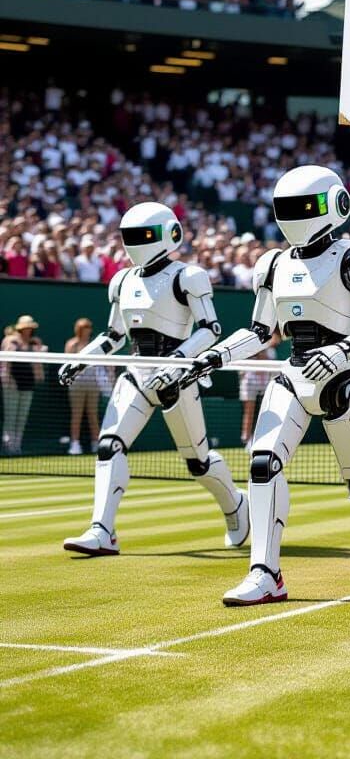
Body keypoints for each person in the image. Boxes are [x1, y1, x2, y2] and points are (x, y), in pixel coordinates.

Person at [182, 165, 350, 606]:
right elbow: (259, 329)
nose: (294, 216)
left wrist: (343, 351)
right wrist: (216, 355)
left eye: (303, 207)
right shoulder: (272, 262)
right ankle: (265, 572)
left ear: (334, 205)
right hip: (292, 375)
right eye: (286, 208)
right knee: (262, 462)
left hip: (341, 380)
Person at [59, 203, 249, 557]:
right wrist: (81, 360)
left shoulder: (187, 276)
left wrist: (177, 362)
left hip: (175, 378)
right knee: (108, 445)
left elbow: (211, 330)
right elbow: (113, 335)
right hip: (136, 372)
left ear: (168, 234)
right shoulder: (122, 279)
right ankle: (102, 530)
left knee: (198, 463)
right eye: (130, 236)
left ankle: (236, 504)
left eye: (143, 235)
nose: (136, 243)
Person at [1, 316, 47, 455]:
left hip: (28, 384)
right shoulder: (11, 340)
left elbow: (38, 363)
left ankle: (17, 446)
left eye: (30, 327)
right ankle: (8, 447)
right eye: (26, 327)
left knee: (22, 417)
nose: (28, 329)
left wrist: (40, 374)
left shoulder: (34, 343)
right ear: (21, 328)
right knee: (11, 416)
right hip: (12, 384)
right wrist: (8, 379)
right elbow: (6, 362)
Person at [64, 318, 102, 455]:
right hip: (76, 385)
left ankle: (96, 443)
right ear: (79, 329)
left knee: (93, 414)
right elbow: (68, 364)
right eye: (85, 327)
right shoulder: (72, 345)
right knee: (77, 415)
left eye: (89, 327)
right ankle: (74, 444)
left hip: (93, 384)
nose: (88, 330)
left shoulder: (93, 345)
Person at [238, 331, 281, 449]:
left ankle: (265, 438)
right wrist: (266, 346)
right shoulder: (255, 346)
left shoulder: (271, 351)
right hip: (250, 382)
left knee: (266, 411)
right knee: (249, 412)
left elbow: (267, 363)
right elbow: (260, 357)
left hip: (265, 384)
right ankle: (246, 440)